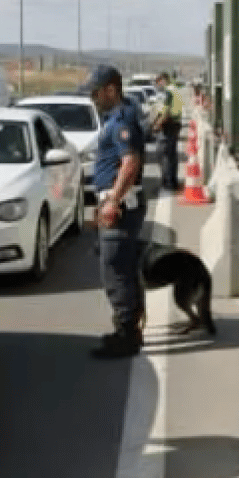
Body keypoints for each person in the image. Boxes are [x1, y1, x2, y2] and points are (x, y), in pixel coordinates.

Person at [83, 64, 149, 359]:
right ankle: (129, 328)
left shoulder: (122, 121)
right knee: (122, 268)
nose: (94, 99)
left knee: (115, 272)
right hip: (119, 202)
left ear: (111, 89)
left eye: (96, 92)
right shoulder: (116, 118)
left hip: (121, 206)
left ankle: (126, 335)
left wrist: (112, 202)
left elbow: (130, 162)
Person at [152, 72, 184, 191]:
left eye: (158, 81)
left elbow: (166, 111)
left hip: (169, 126)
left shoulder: (169, 91)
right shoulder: (174, 89)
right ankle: (172, 181)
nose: (157, 84)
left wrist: (157, 125)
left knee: (163, 155)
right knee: (171, 155)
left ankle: (168, 183)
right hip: (175, 124)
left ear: (163, 80)